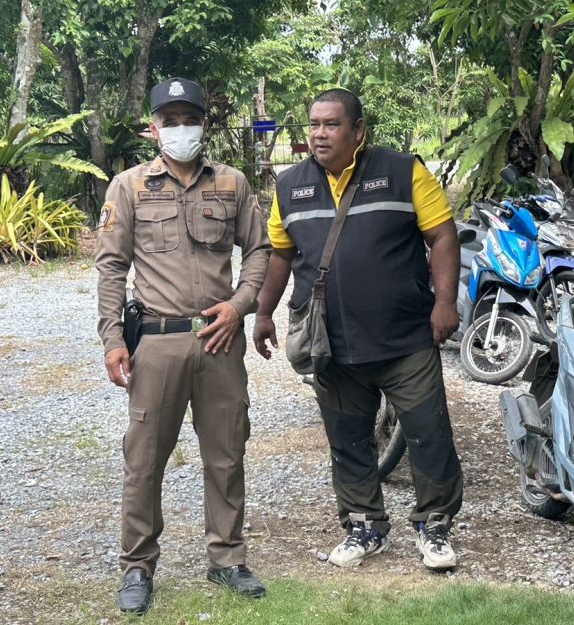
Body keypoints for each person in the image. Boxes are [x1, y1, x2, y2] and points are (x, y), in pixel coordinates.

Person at [252, 88, 464, 571]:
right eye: (313, 125)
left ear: (358, 130)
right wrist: (263, 313)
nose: (319, 134)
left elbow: (442, 235)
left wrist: (445, 303)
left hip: (406, 340)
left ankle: (434, 525)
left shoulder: (403, 171)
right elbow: (281, 255)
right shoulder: (290, 185)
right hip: (332, 344)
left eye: (331, 124)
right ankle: (365, 526)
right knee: (347, 439)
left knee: (429, 434)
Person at [96, 77, 271, 615]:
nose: (180, 129)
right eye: (169, 121)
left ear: (204, 124)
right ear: (154, 130)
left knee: (227, 454)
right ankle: (137, 567)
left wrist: (239, 306)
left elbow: (259, 250)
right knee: (144, 460)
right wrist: (112, 339)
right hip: (157, 341)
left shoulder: (232, 183)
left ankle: (227, 559)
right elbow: (111, 267)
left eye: (188, 119)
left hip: (220, 340)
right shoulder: (128, 187)